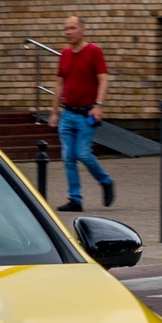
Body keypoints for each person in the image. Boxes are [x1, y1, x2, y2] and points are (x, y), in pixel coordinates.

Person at [53, 14, 115, 214]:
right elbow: (59, 84)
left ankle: (105, 181)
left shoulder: (94, 52)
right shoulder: (64, 54)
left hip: (86, 113)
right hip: (67, 114)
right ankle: (75, 199)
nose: (68, 32)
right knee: (68, 157)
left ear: (82, 30)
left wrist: (98, 105)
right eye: (66, 29)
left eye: (72, 28)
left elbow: (103, 79)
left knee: (82, 153)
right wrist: (54, 112)